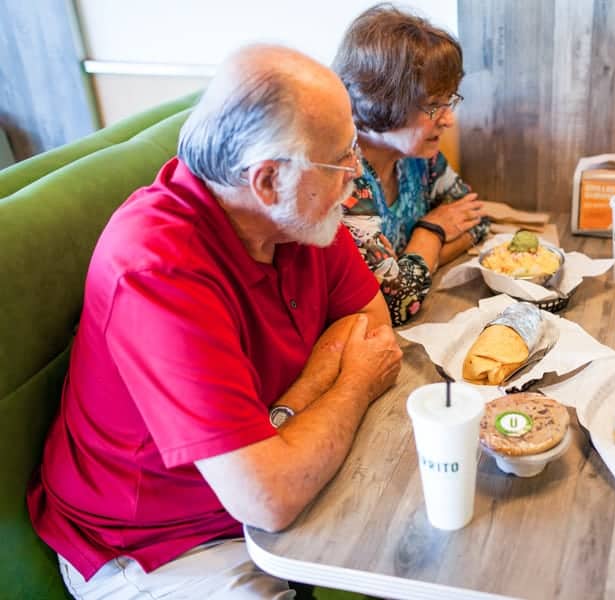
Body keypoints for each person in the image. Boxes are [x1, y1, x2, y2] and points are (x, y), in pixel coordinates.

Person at [27, 44, 403, 599]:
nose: (357, 174)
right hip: (156, 546)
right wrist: (352, 380)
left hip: (267, 481)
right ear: (267, 179)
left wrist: (285, 414)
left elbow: (371, 327)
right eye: (341, 159)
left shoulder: (296, 214)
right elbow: (268, 496)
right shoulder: (157, 266)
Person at [333, 4, 491, 326]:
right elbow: (396, 303)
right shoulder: (344, 179)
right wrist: (431, 231)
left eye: (450, 101)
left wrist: (409, 264)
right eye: (434, 105)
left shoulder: (420, 158)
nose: (448, 119)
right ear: (380, 99)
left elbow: (477, 220)